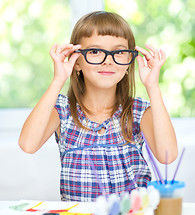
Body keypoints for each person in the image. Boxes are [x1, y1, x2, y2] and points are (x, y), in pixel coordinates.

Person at [19, 11, 178, 202]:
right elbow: (28, 144)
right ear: (76, 61)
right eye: (95, 51)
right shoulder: (63, 110)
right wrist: (58, 80)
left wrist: (153, 87)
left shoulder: (137, 111)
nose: (108, 60)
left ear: (129, 62)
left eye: (119, 52)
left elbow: (167, 156)